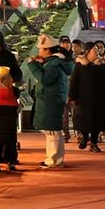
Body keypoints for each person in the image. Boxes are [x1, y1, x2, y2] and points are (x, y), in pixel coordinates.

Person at [25, 35, 75, 169]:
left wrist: (32, 65)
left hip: (51, 101)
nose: (39, 52)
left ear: (47, 50)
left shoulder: (54, 64)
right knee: (54, 131)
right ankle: (54, 159)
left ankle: (53, 160)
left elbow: (45, 79)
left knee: (52, 131)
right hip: (53, 99)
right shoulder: (56, 62)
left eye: (41, 49)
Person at [68, 45, 105, 152]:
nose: (97, 53)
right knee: (83, 121)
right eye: (94, 51)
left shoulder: (101, 66)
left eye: (97, 51)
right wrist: (72, 96)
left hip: (99, 99)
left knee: (97, 122)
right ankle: (84, 136)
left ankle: (94, 143)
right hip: (83, 99)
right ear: (87, 52)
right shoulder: (80, 65)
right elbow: (74, 82)